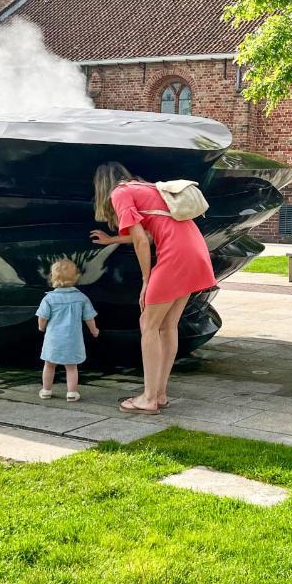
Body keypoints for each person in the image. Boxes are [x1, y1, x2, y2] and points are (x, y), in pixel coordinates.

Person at [91, 161, 215, 414]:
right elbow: (149, 232)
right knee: (168, 325)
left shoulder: (120, 193)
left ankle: (147, 398)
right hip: (195, 250)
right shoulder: (147, 188)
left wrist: (146, 280)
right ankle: (159, 394)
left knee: (148, 324)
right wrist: (112, 239)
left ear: (102, 184)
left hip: (175, 255)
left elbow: (140, 240)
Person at [36, 259, 99, 401]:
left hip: (53, 340)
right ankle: (71, 392)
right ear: (76, 276)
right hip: (73, 340)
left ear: (52, 278)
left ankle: (46, 390)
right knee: (71, 367)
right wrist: (94, 330)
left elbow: (42, 317)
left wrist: (41, 327)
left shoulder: (49, 299)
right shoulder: (81, 298)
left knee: (49, 365)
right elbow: (89, 318)